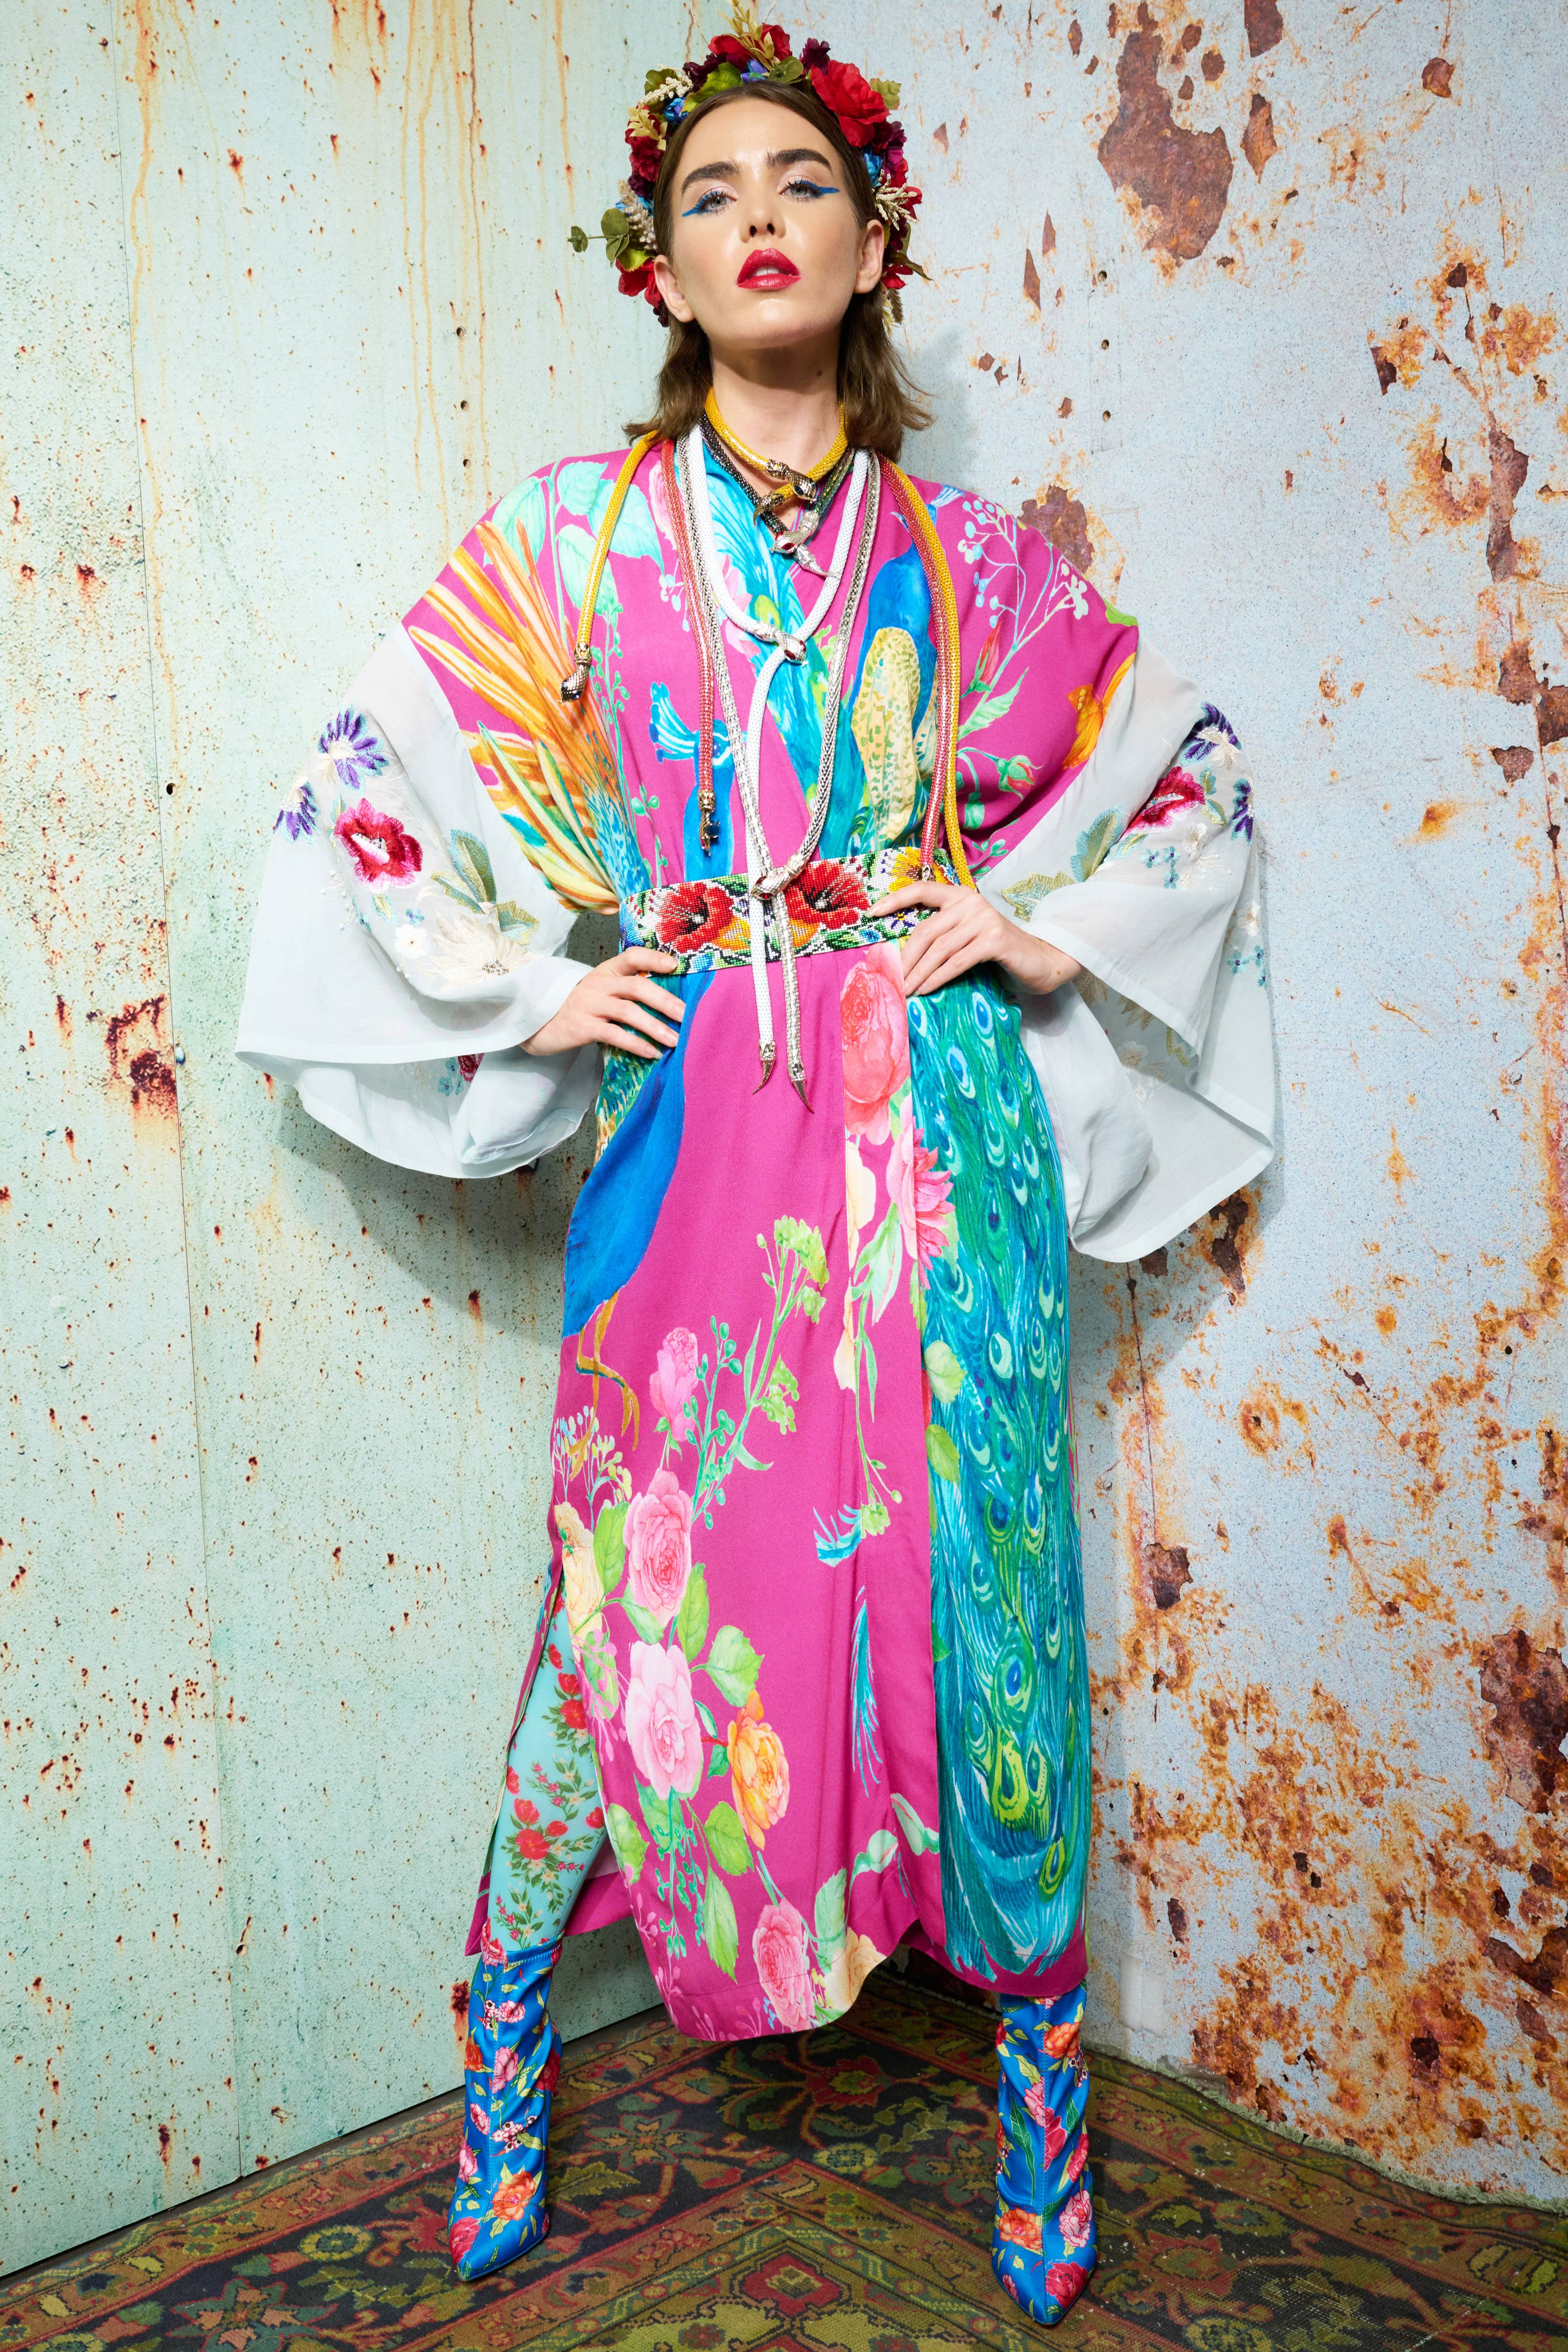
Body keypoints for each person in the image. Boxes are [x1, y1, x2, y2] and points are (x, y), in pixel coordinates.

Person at [238, 6, 1274, 2326]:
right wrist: (523, 983)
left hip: (938, 1138)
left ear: (866, 236)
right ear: (664, 269)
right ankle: (506, 2017)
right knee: (634, 1573)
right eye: (710, 195)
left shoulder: (966, 547)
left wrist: (1031, 919)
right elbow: (363, 783)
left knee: (978, 1585)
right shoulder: (575, 543)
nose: (758, 220)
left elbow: (1172, 784)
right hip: (698, 1120)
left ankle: (1031, 2070)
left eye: (796, 181)